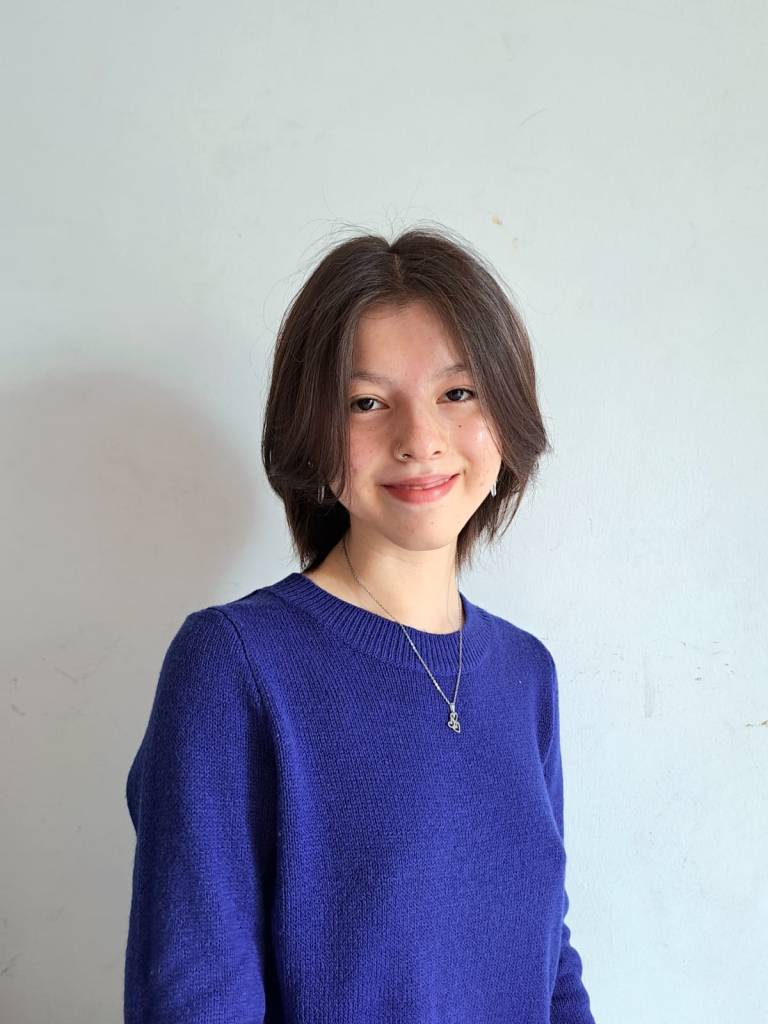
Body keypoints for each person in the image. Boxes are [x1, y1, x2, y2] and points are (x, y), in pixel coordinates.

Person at [123, 224, 597, 1022]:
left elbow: (549, 963)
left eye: (457, 393)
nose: (420, 440)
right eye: (367, 403)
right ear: (313, 431)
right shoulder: (235, 665)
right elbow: (195, 998)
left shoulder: (526, 674)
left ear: (505, 415)